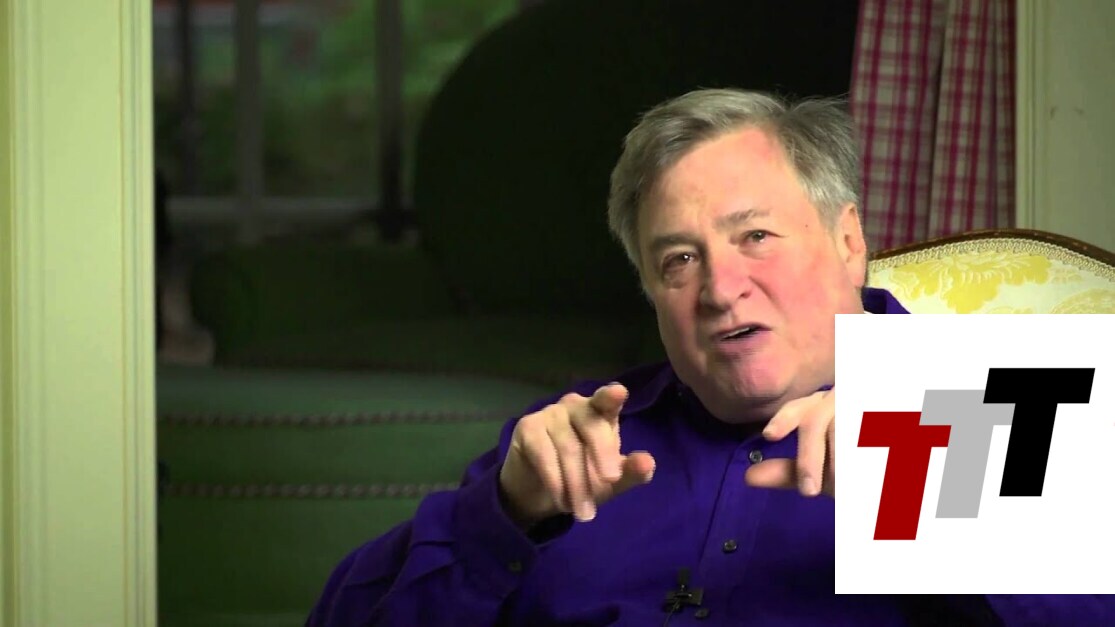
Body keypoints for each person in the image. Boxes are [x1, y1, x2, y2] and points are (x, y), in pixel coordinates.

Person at [306, 89, 1113, 626]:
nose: (721, 289)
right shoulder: (579, 439)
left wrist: (931, 486)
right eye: (679, 259)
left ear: (847, 240)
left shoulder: (1003, 397)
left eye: (754, 235)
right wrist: (501, 514)